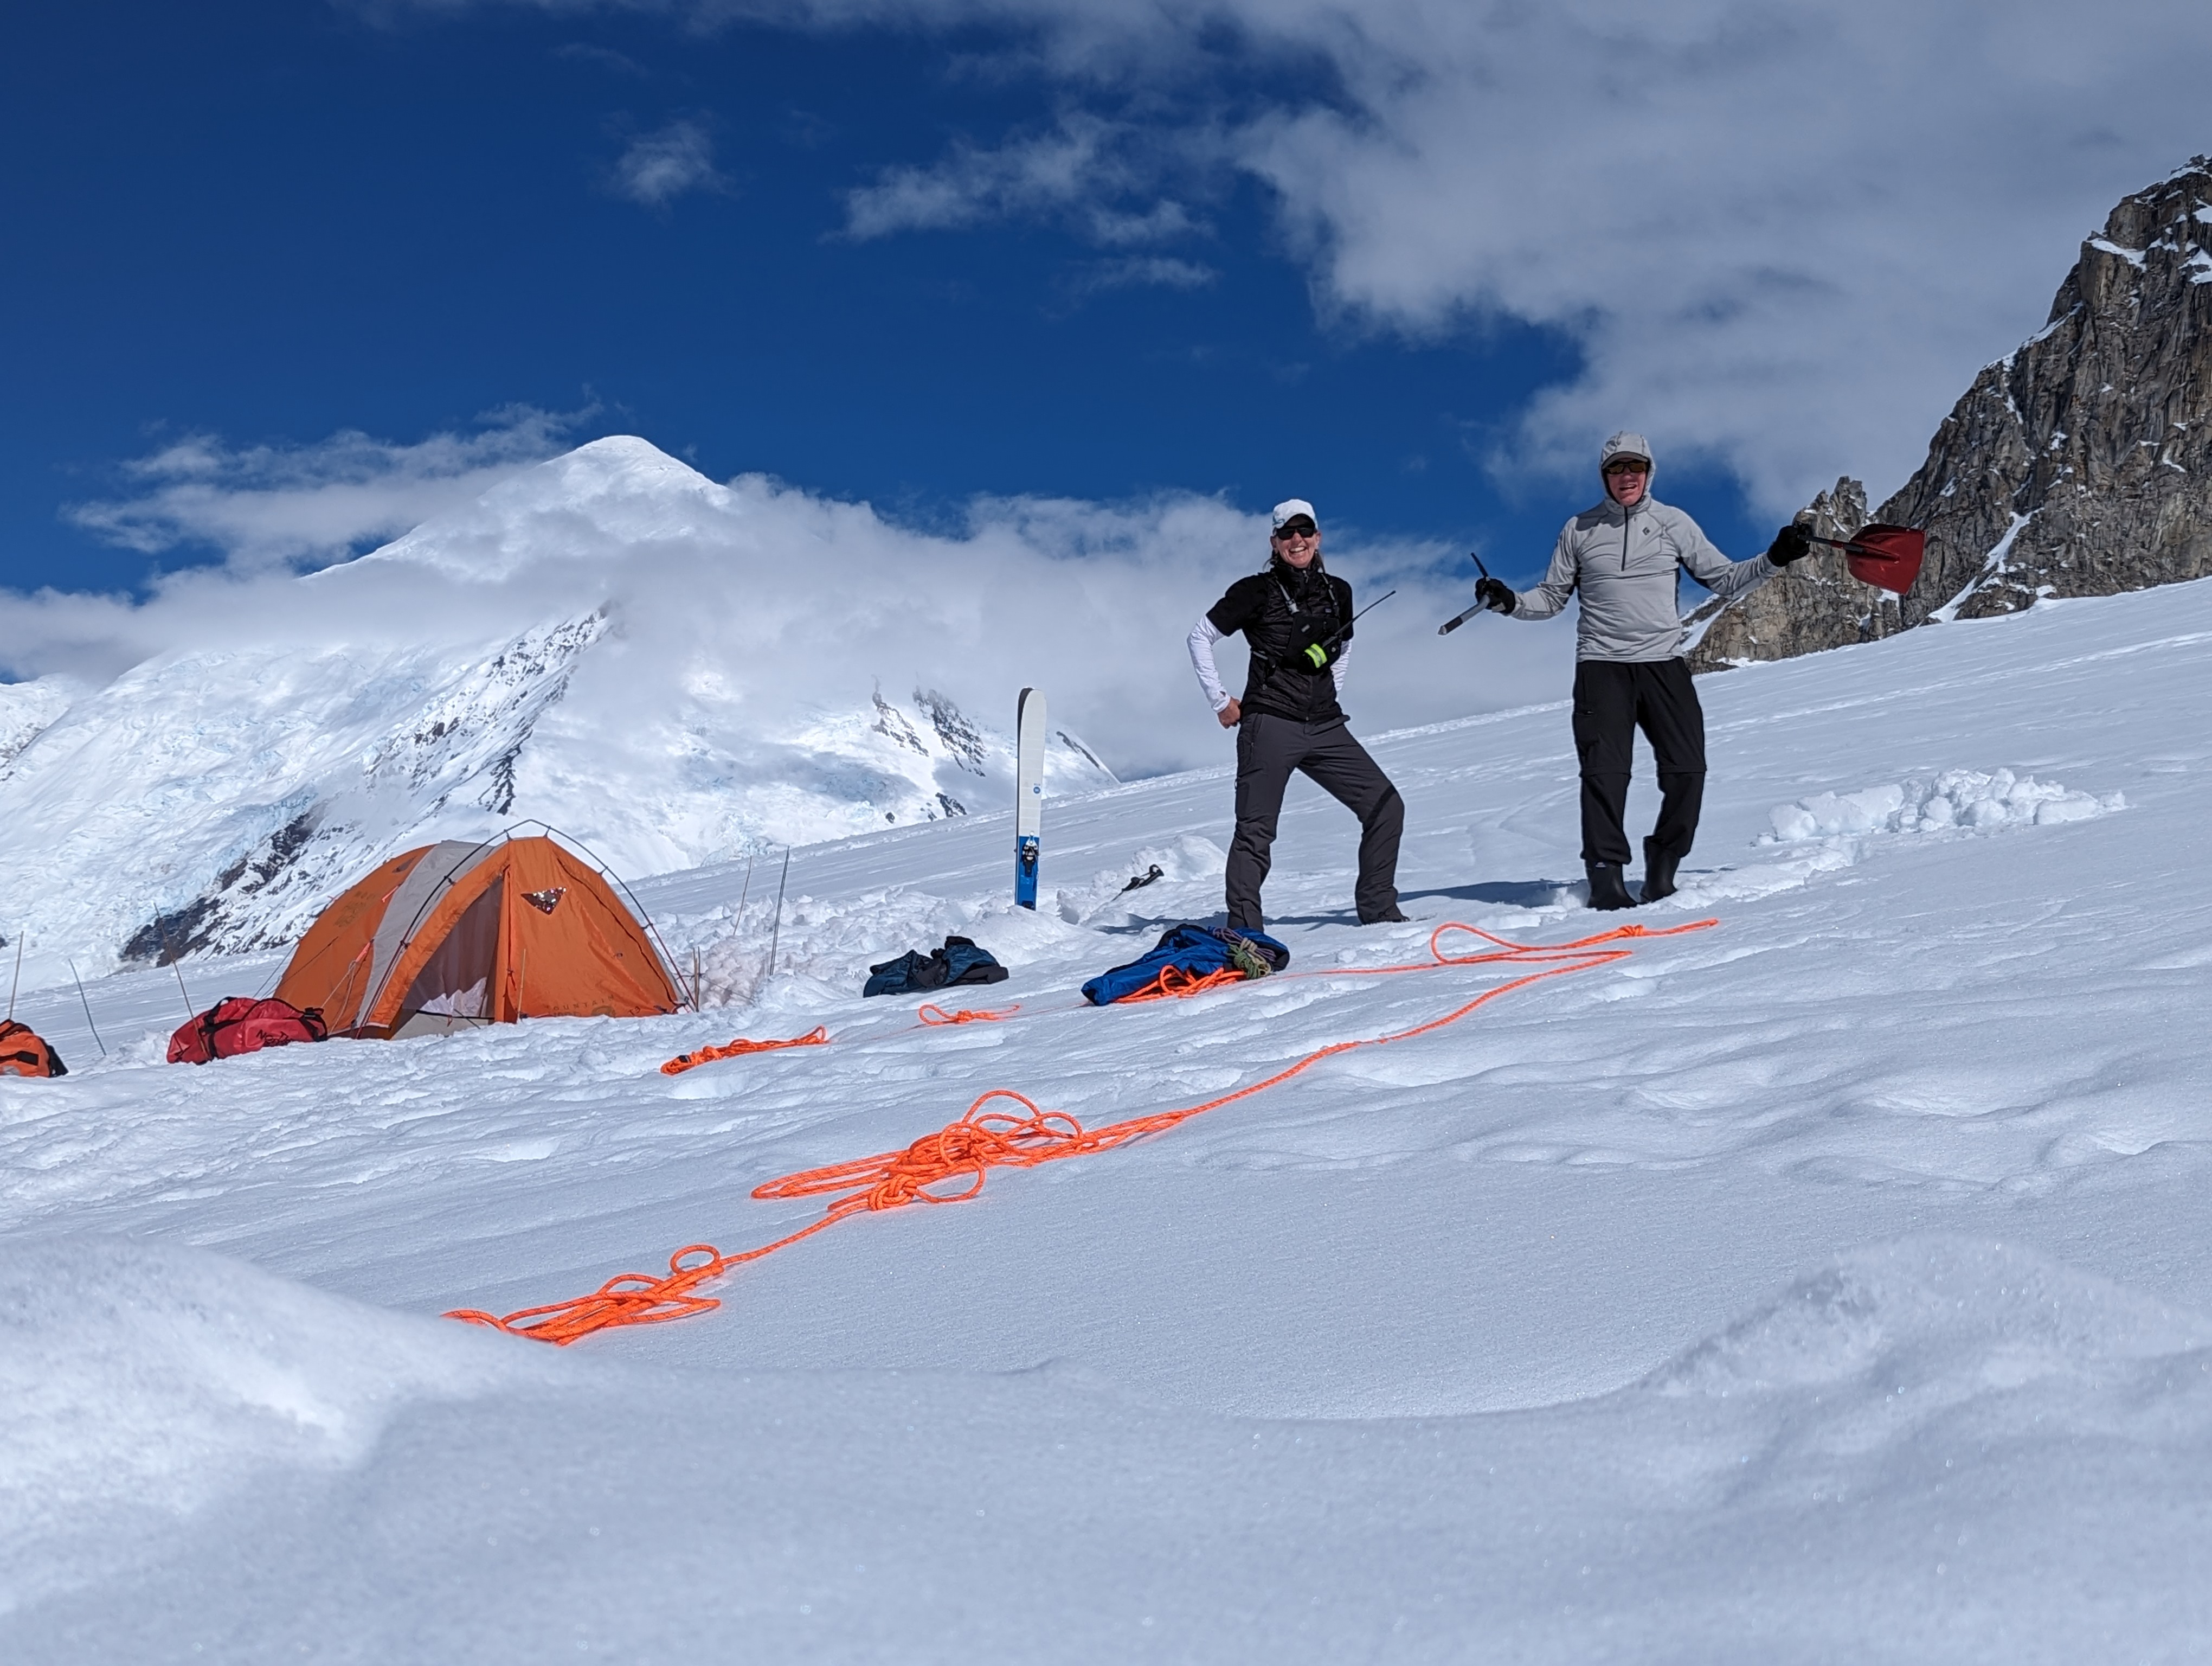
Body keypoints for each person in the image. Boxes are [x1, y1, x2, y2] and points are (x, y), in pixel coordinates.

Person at [1474, 432, 1811, 909]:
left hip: (1663, 665)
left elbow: (1724, 579)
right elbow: (1550, 599)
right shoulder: (1580, 529)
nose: (1626, 476)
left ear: (1649, 473)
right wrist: (1508, 601)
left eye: (1635, 468)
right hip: (1602, 667)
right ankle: (1606, 878)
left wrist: (1776, 557)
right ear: (1605, 476)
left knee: (1687, 770)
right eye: (1616, 469)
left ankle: (1663, 865)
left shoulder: (1673, 523)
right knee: (1605, 774)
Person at [1188, 498, 1406, 930]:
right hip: (1269, 724)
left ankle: (1379, 912)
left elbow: (1343, 647)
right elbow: (1200, 637)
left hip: (1325, 725)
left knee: (1386, 806)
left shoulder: (1337, 591)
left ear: (1318, 537)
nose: (1298, 540)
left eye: (1305, 531)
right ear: (1274, 541)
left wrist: (1329, 693)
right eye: (1288, 533)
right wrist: (1221, 701)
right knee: (1256, 833)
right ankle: (1246, 933)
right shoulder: (1255, 590)